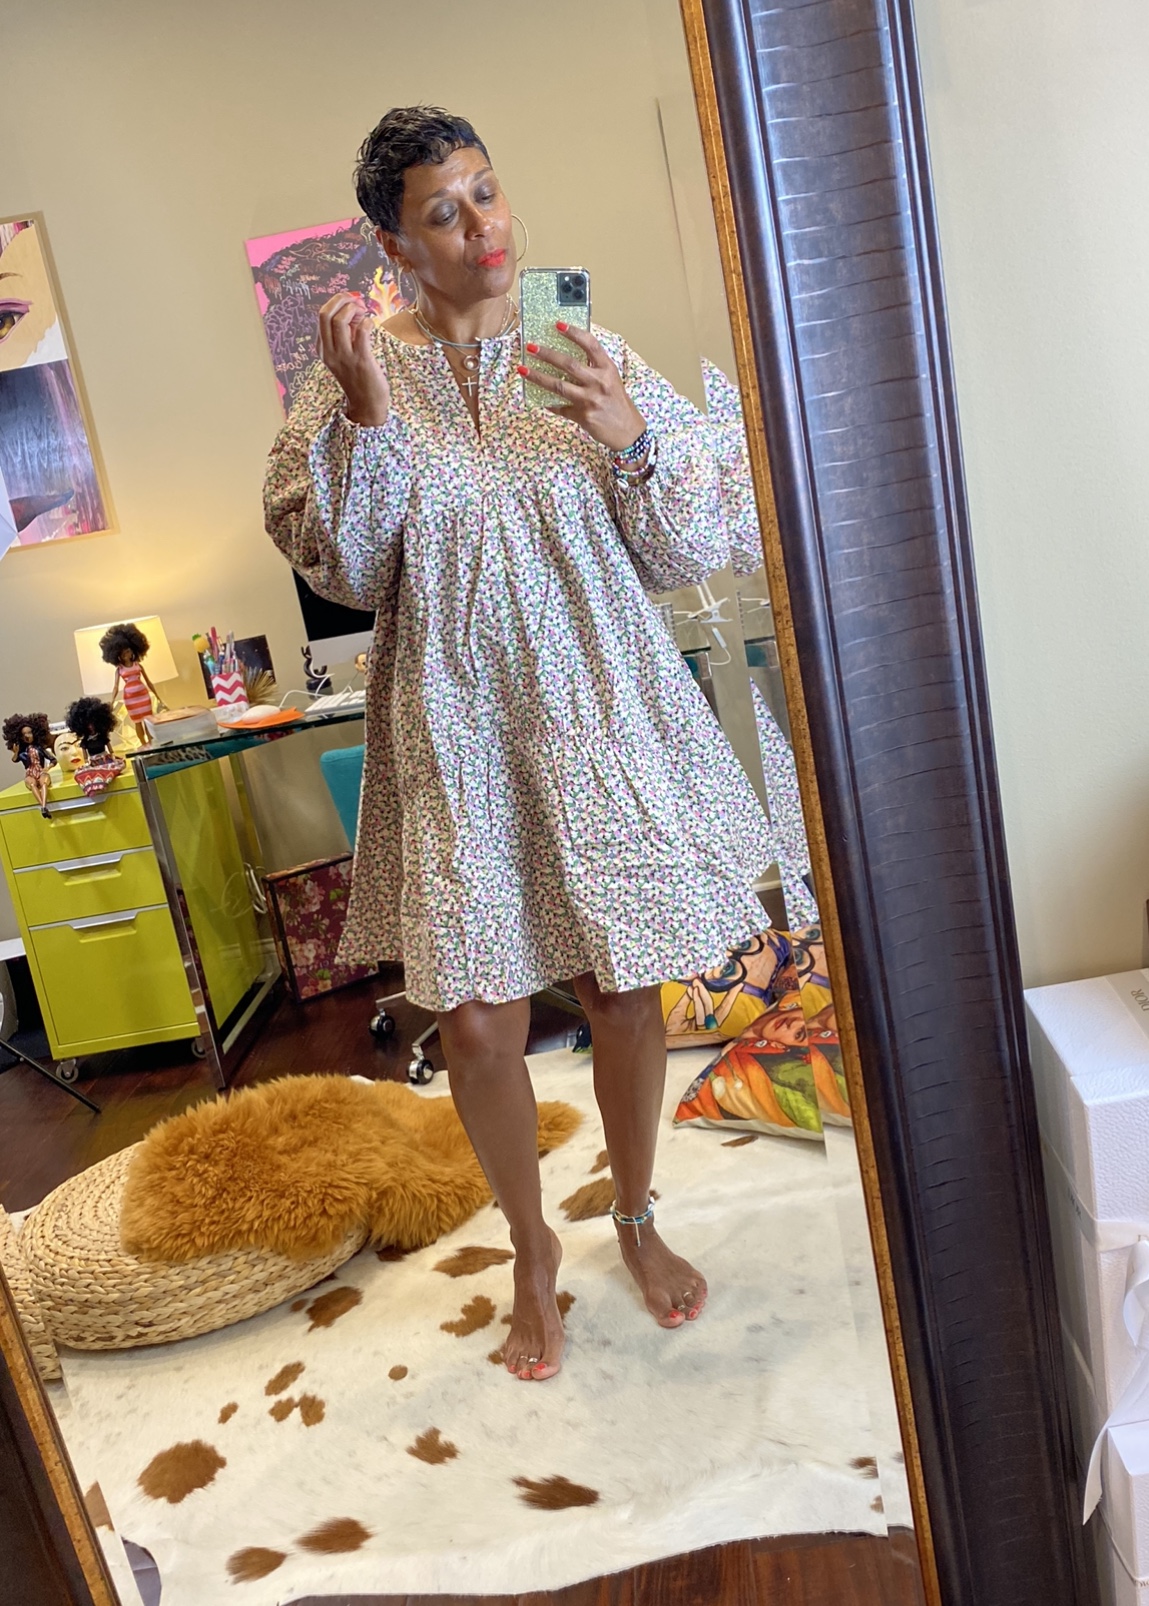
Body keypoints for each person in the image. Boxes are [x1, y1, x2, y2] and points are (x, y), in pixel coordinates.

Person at [264, 106, 773, 1382]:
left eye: (486, 192)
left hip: (598, 711)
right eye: (444, 212)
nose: (481, 226)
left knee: (622, 988)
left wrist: (632, 436)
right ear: (396, 247)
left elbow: (691, 547)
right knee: (482, 1026)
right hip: (453, 733)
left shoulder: (576, 344)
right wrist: (366, 420)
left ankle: (637, 1215)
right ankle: (532, 1247)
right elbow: (345, 568)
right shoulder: (351, 382)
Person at [3, 712, 56, 817]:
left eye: (29, 733)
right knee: (32, 784)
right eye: (24, 734)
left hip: (41, 772)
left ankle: (44, 806)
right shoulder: (22, 752)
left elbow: (53, 760)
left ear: (35, 733)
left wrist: (47, 768)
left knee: (44, 783)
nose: (27, 736)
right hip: (30, 773)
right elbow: (15, 759)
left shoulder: (39, 748)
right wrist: (16, 752)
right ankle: (43, 807)